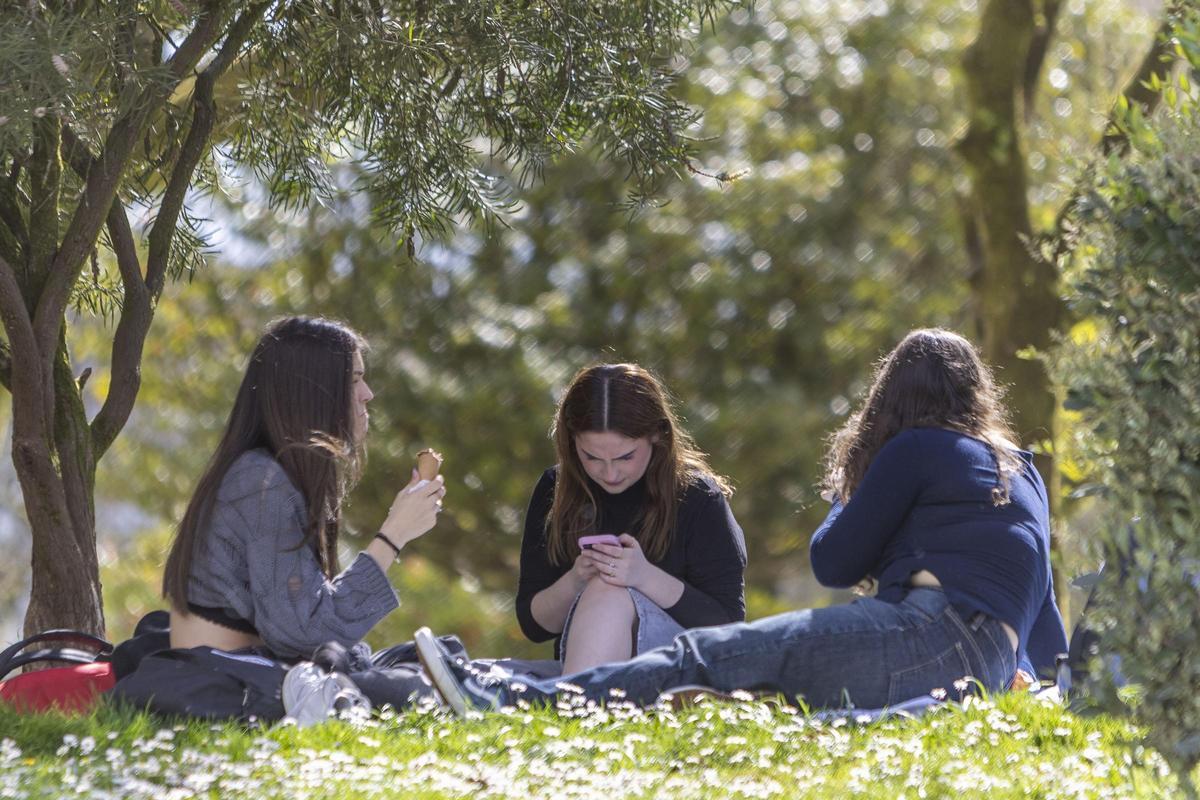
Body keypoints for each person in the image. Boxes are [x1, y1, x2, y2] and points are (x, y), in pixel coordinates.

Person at [416, 329, 1069, 715]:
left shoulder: (915, 447)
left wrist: (860, 473)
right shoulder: (1022, 470)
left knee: (716, 655)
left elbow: (832, 561)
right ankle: (508, 688)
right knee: (779, 690)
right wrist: (1054, 690)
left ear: (890, 403)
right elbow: (1044, 612)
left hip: (925, 635)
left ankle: (520, 703)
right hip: (982, 663)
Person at [160, 316, 447, 710]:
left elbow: (306, 622)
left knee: (441, 655)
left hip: (254, 674)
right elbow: (308, 632)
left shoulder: (270, 474)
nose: (368, 394)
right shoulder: (260, 482)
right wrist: (392, 535)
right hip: (233, 684)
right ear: (313, 390)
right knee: (419, 687)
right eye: (354, 380)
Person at [516, 363, 748, 674]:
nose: (609, 474)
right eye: (592, 457)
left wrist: (643, 577)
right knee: (602, 585)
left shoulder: (696, 496)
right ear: (571, 443)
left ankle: (582, 712)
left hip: (683, 669)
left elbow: (729, 626)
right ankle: (583, 703)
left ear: (657, 435)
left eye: (625, 457)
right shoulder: (555, 489)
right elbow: (534, 625)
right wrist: (575, 580)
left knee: (609, 588)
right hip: (579, 662)